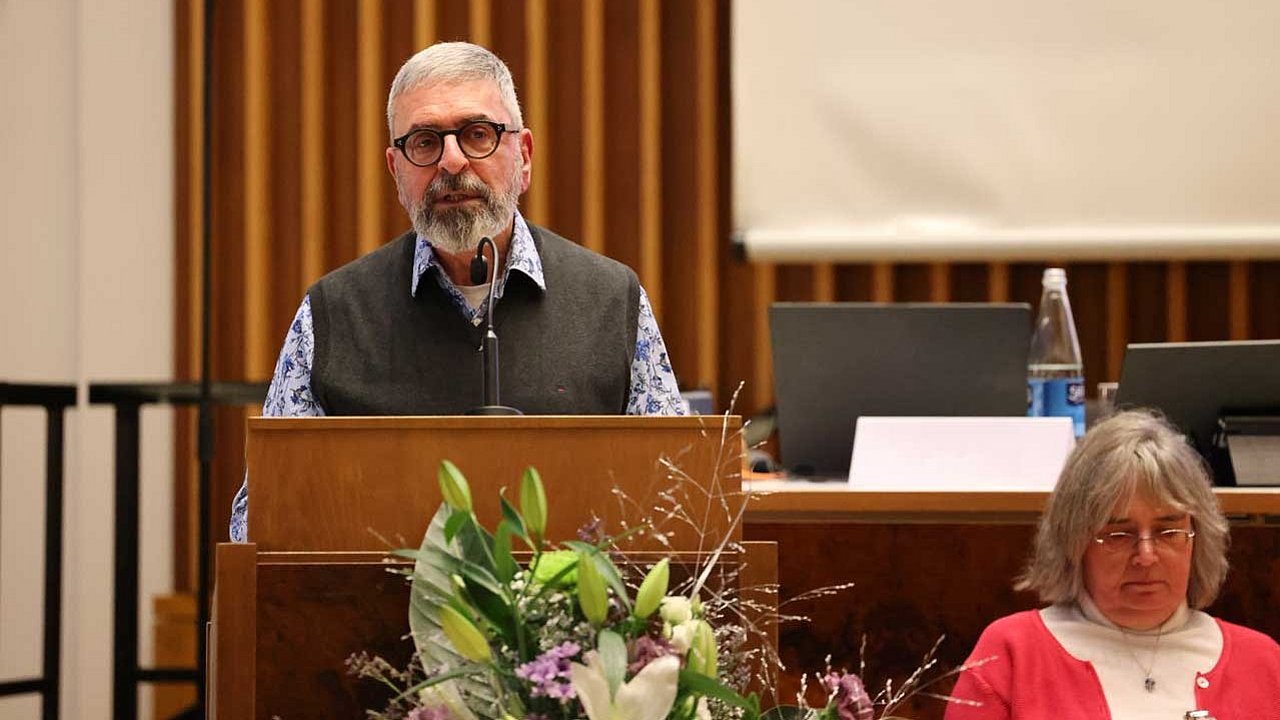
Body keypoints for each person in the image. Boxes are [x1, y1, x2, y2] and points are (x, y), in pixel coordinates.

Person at [229, 42, 687, 542]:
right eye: (424, 142)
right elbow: (259, 521)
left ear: (524, 155)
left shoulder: (610, 299)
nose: (451, 162)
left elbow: (673, 498)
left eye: (477, 135)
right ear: (395, 170)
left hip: (567, 616)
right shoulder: (332, 312)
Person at [946, 410, 1280, 720]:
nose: (1146, 555)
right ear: (1074, 543)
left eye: (1168, 531)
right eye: (1119, 534)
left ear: (1198, 536)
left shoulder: (1264, 663)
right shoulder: (1011, 654)